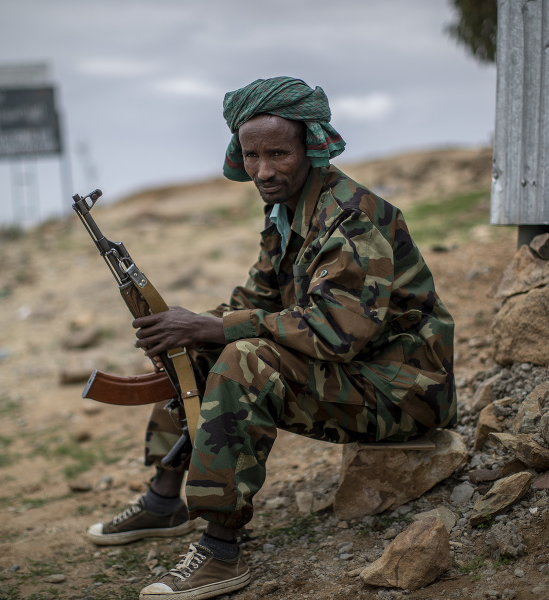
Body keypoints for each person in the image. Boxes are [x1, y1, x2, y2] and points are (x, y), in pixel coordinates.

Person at [86, 76, 457, 600]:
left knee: (244, 359)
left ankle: (219, 550)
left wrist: (214, 326)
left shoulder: (350, 221)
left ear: (312, 145)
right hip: (356, 374)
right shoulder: (286, 210)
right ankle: (164, 499)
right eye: (251, 154)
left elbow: (336, 333)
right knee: (194, 347)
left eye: (278, 153)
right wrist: (182, 326)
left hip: (402, 391)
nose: (263, 170)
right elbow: (257, 301)